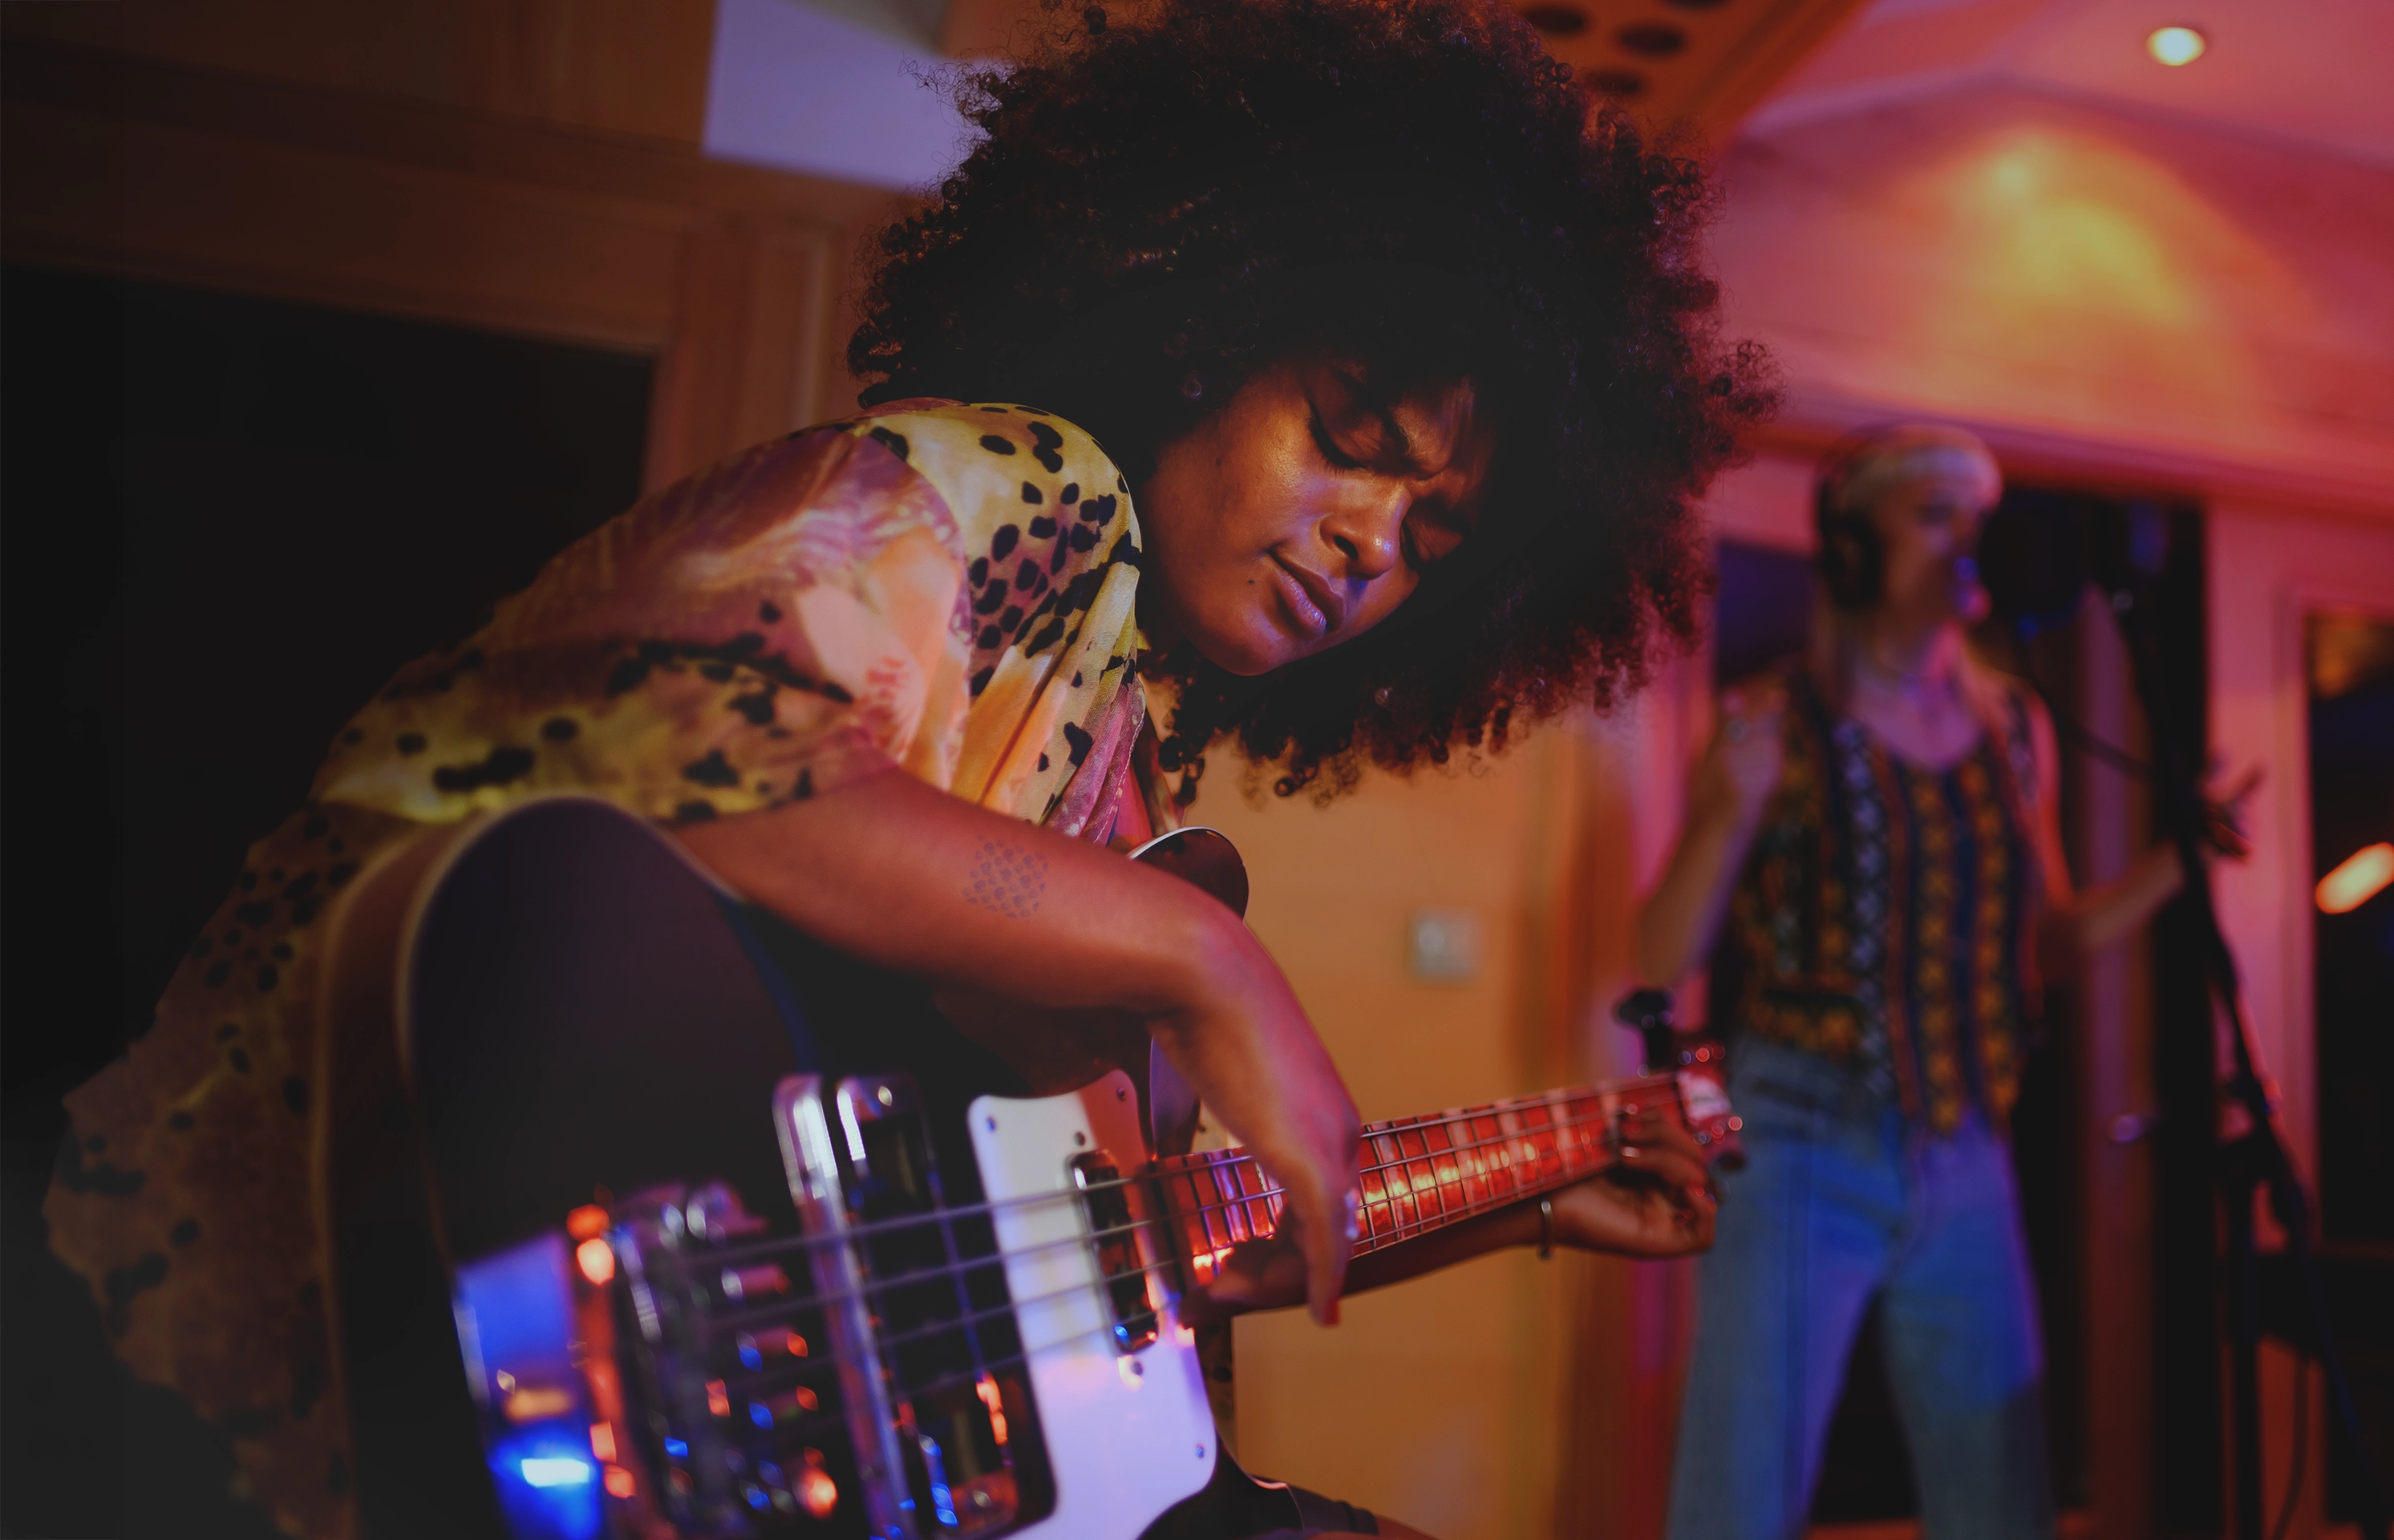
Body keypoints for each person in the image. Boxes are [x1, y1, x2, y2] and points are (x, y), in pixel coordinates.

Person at [42, 2, 1759, 1534]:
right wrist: (1209, 959)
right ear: (1203, 341)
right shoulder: (1033, 488)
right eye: (1351, 437)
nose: (1374, 539)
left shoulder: (1119, 753)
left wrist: (1527, 1200)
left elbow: (1079, 1264)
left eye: (1432, 544)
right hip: (293, 1283)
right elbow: (699, 750)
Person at [1639, 426, 2183, 1538]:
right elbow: (1653, 962)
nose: (1968, 541)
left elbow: (2046, 941)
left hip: (1970, 1144)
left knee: (2001, 1502)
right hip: (1798, 1145)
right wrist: (1725, 815)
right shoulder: (1773, 717)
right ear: (1852, 552)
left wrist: (2181, 865)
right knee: (1742, 1494)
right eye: (1936, 516)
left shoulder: (2016, 727)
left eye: (1979, 519)